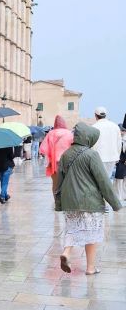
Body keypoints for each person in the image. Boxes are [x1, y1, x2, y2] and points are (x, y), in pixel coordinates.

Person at [55, 123, 121, 275]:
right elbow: (103, 180)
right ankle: (90, 268)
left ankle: (66, 252)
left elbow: (59, 182)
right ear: (89, 138)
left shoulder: (66, 154)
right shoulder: (91, 155)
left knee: (72, 229)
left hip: (69, 200)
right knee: (91, 234)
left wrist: (59, 204)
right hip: (90, 201)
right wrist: (115, 204)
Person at [39, 115, 73, 195]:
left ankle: (56, 201)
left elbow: (43, 149)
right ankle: (65, 200)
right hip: (67, 162)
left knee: (55, 184)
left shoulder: (51, 133)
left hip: (54, 163)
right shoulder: (69, 133)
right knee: (66, 183)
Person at [92, 106, 122, 195]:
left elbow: (92, 144)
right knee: (109, 178)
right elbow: (119, 143)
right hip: (112, 157)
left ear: (95, 115)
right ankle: (109, 198)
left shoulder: (94, 127)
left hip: (99, 157)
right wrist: (117, 156)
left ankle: (101, 199)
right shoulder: (115, 126)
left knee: (99, 179)